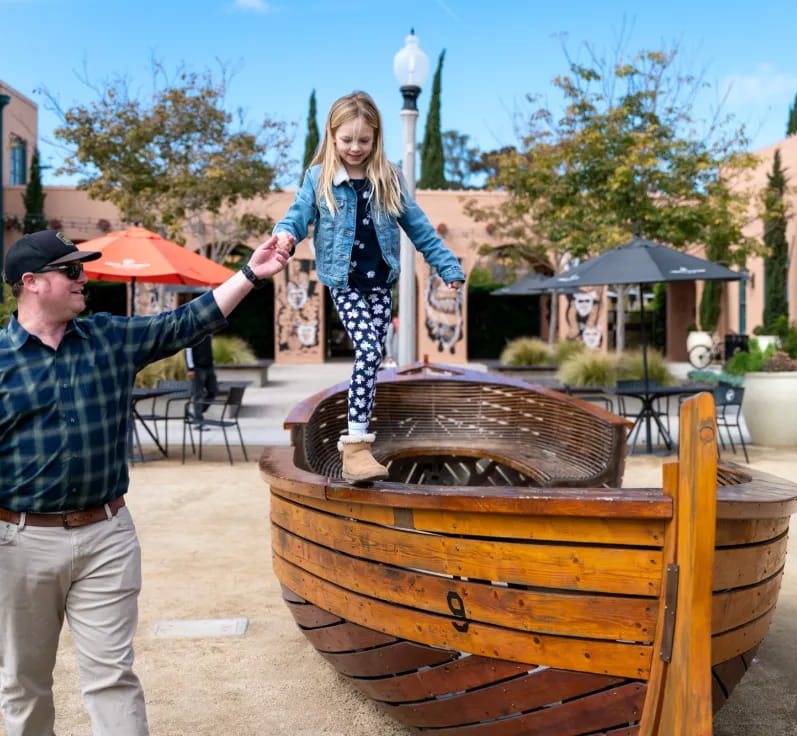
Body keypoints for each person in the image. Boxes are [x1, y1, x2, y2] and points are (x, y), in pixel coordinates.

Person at [0, 229, 290, 736]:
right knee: (24, 685)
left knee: (111, 677)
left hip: (105, 536)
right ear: (31, 282)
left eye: (82, 268)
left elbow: (185, 322)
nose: (82, 278)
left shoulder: (108, 339)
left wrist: (249, 274)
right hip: (20, 543)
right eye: (70, 271)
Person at [273, 91, 465, 483]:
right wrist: (284, 237)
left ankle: (363, 442)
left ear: (377, 138)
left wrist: (447, 265)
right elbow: (298, 215)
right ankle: (356, 446)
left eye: (365, 140)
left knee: (373, 360)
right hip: (344, 284)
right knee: (369, 347)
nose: (355, 148)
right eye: (347, 140)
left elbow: (420, 228)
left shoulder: (389, 177)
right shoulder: (319, 177)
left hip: (381, 285)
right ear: (332, 136)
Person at [185, 333, 218, 424]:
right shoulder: (193, 333)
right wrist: (190, 368)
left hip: (209, 367)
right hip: (197, 368)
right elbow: (188, 351)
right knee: (198, 394)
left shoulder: (208, 333)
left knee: (213, 391)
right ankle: (198, 421)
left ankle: (195, 412)